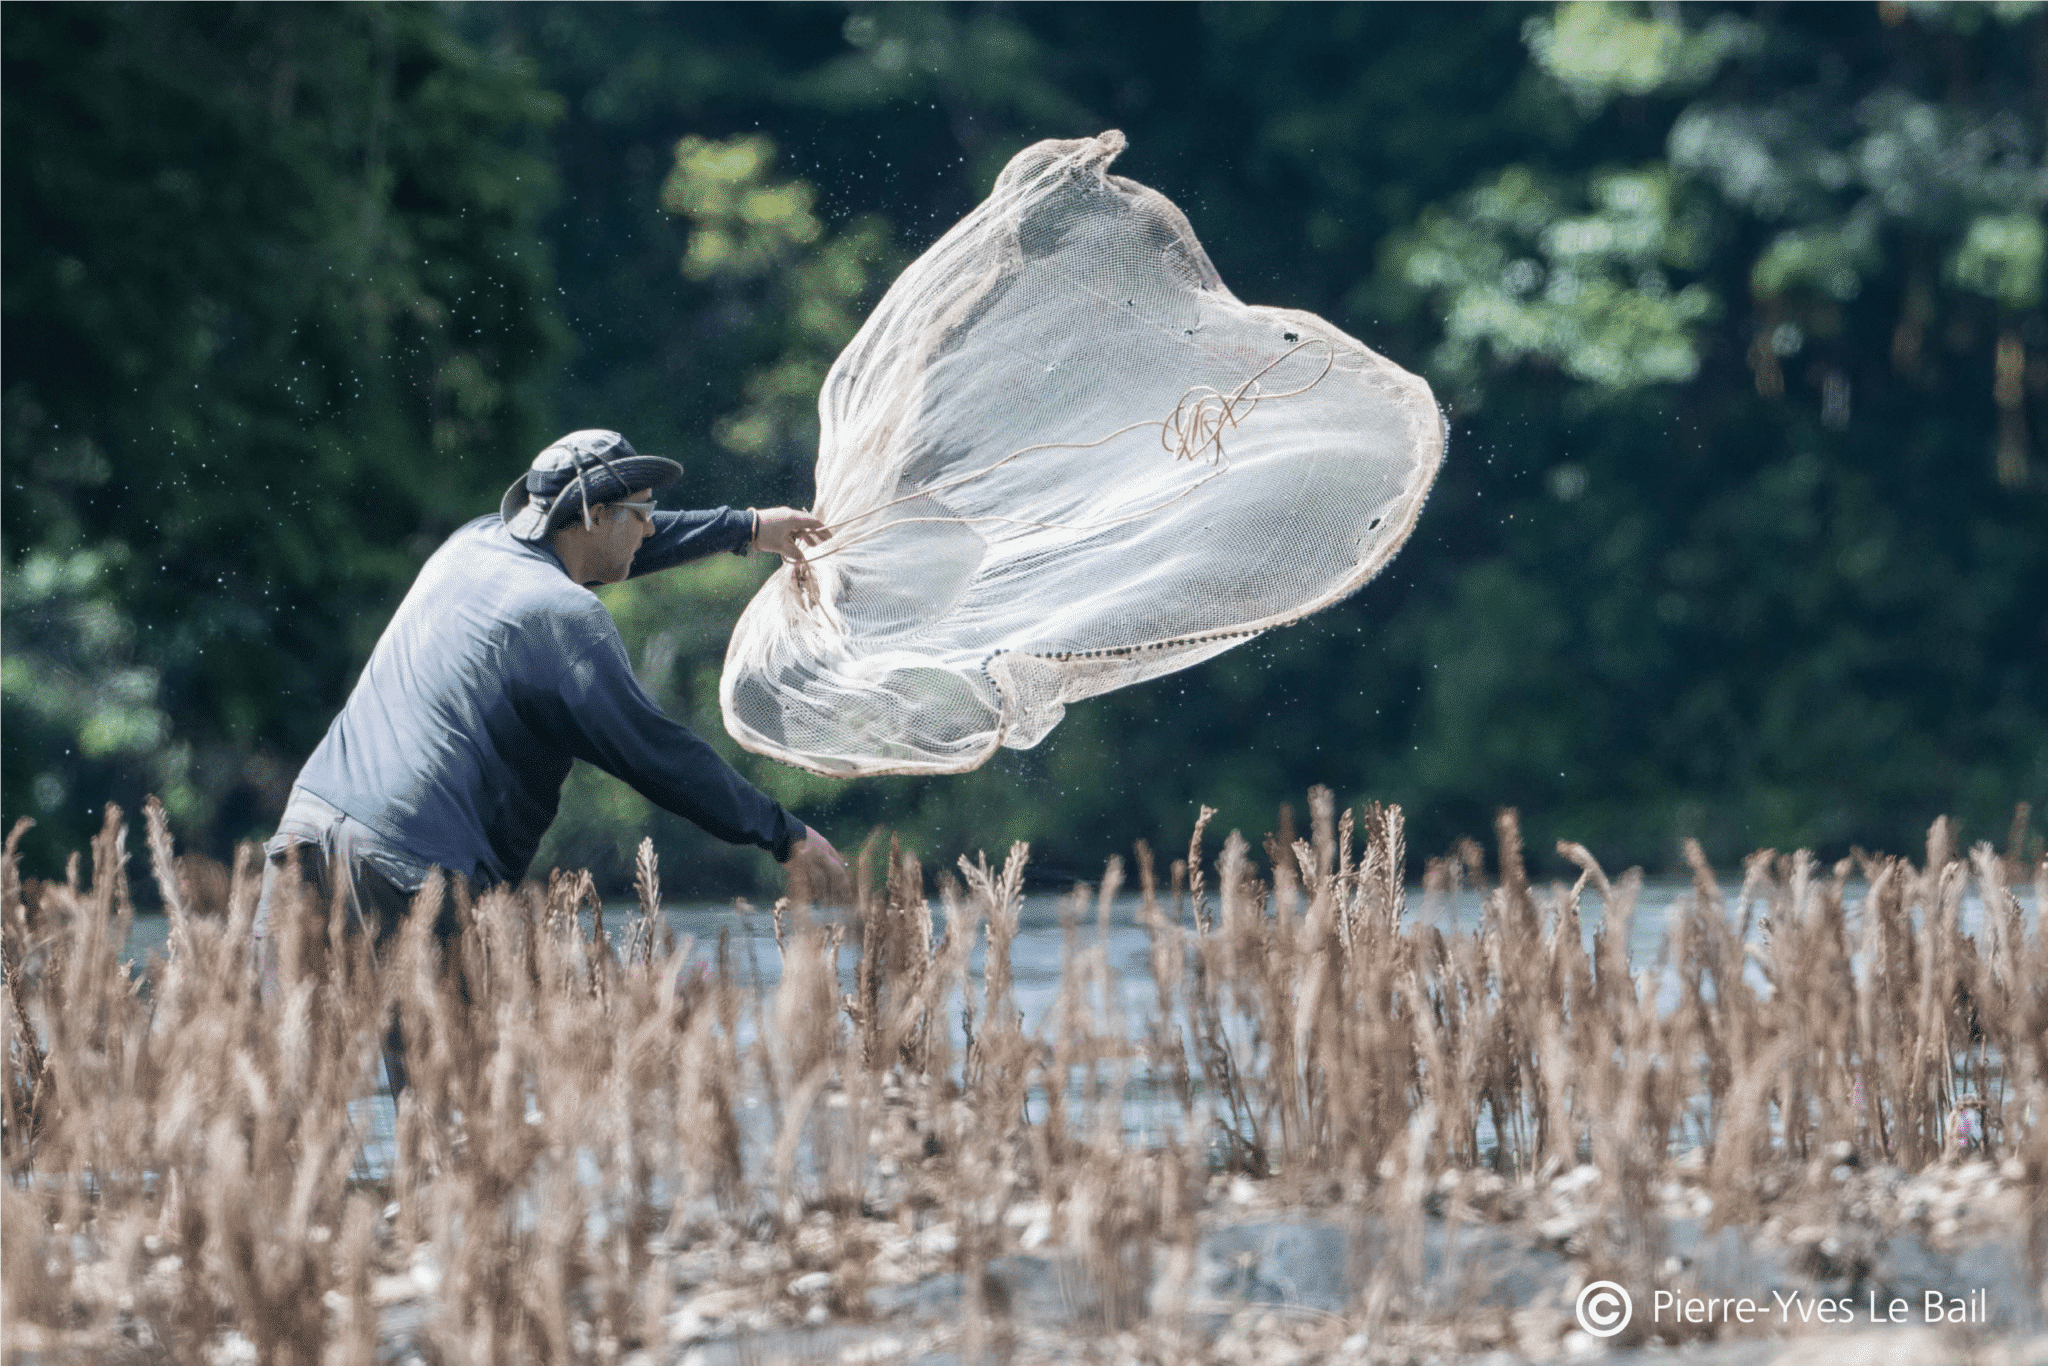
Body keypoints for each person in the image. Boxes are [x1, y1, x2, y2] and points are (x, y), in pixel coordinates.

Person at [255, 429, 844, 1088]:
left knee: (269, 1105)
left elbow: (605, 551)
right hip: (412, 865)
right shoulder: (567, 619)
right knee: (453, 1125)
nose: (652, 529)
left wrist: (748, 528)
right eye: (642, 513)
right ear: (591, 515)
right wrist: (781, 833)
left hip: (306, 836)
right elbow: (657, 755)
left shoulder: (471, 545)